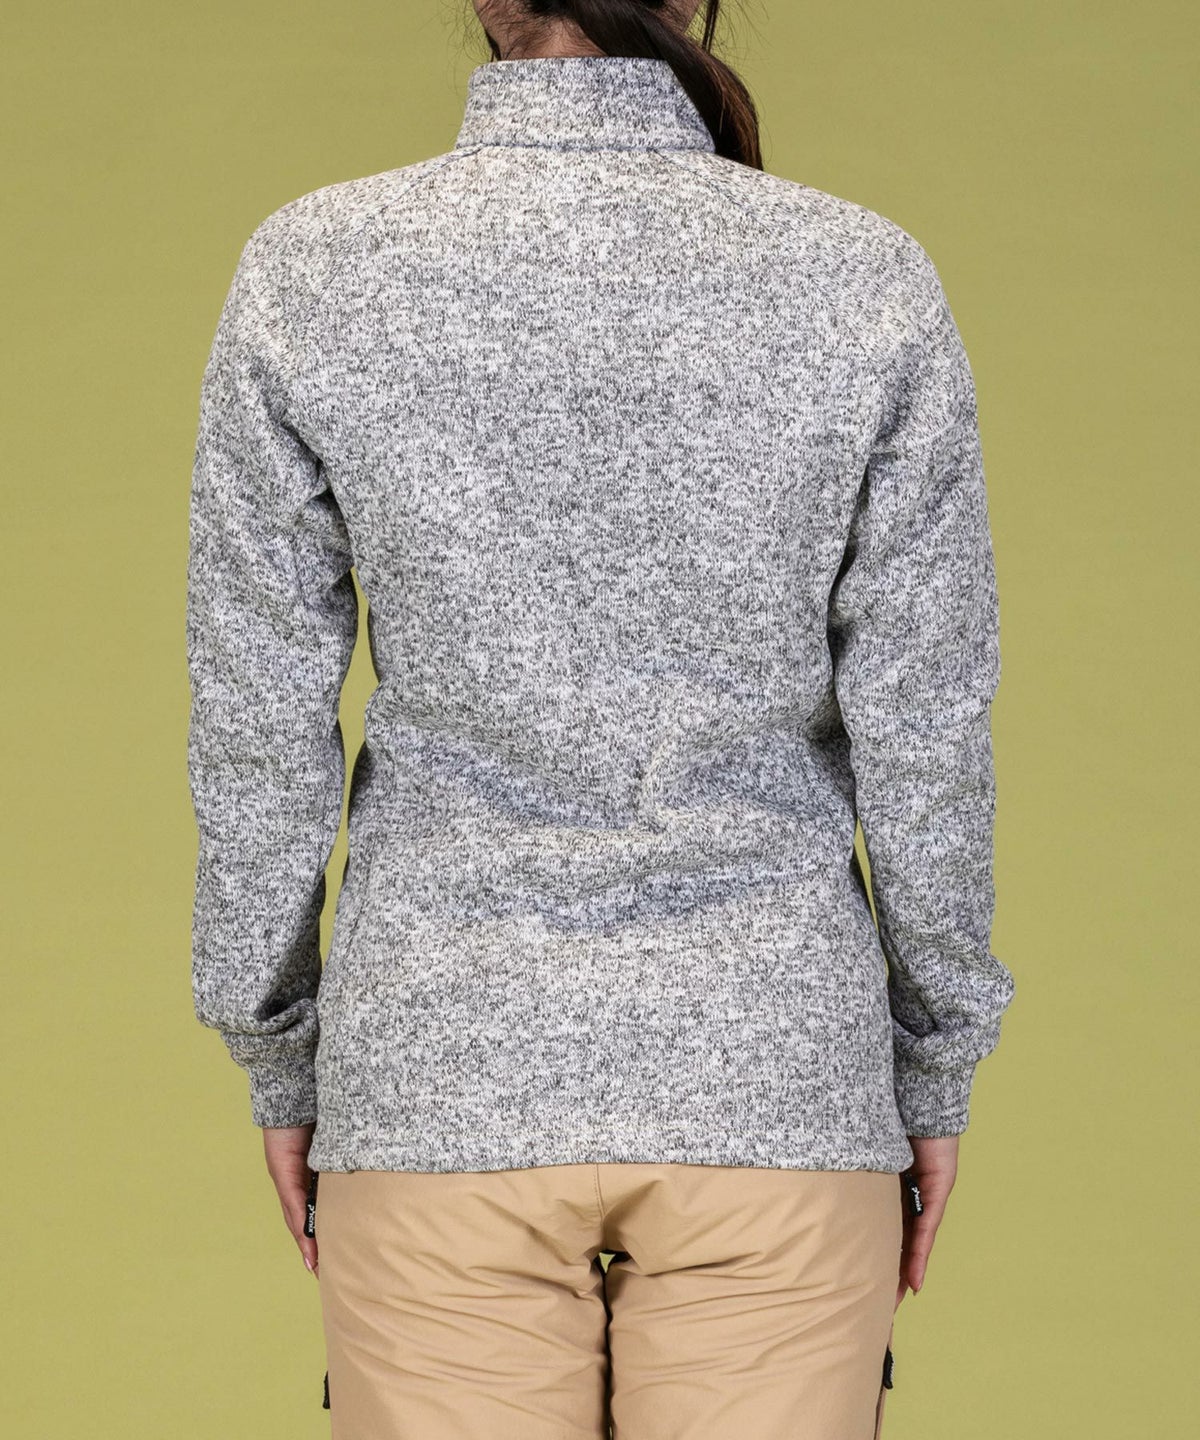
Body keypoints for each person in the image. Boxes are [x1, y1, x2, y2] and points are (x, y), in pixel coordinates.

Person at [184, 1, 1017, 1436]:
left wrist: (281, 1048)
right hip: (773, 1075)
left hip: (441, 1067)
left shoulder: (315, 267)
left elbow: (257, 722)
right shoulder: (860, 274)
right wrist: (931, 1062)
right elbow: (927, 729)